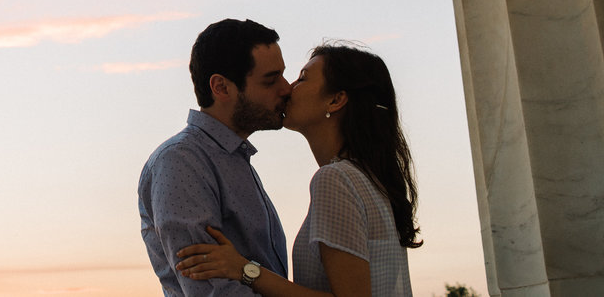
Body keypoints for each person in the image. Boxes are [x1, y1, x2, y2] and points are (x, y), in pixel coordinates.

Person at [175, 43, 422, 297]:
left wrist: (246, 270)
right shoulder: (369, 180)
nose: (288, 88)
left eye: (302, 78)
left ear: (335, 100)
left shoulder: (336, 179)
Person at [138, 18, 294, 295]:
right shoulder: (182, 162)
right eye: (271, 80)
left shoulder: (232, 159)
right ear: (221, 87)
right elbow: (211, 290)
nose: (286, 88)